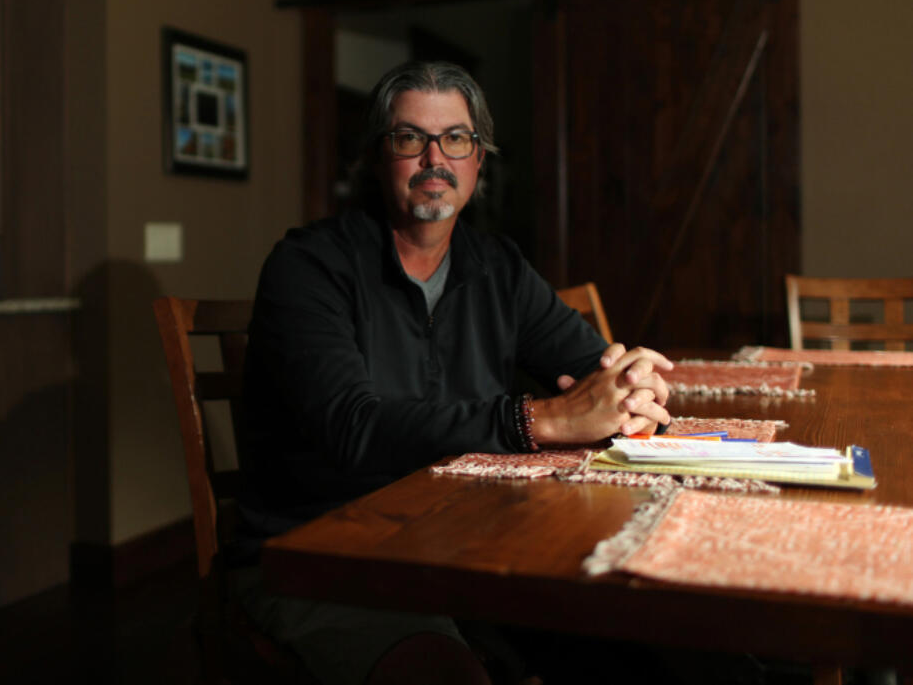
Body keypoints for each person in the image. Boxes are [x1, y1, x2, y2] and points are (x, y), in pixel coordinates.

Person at [230, 60, 673, 685]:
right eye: (410, 138)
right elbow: (353, 428)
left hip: (468, 539)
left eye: (456, 139)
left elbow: (589, 366)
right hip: (329, 553)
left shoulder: (497, 267)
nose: (434, 158)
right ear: (380, 157)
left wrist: (630, 384)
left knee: (648, 638)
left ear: (479, 162)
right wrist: (536, 419)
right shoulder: (308, 266)